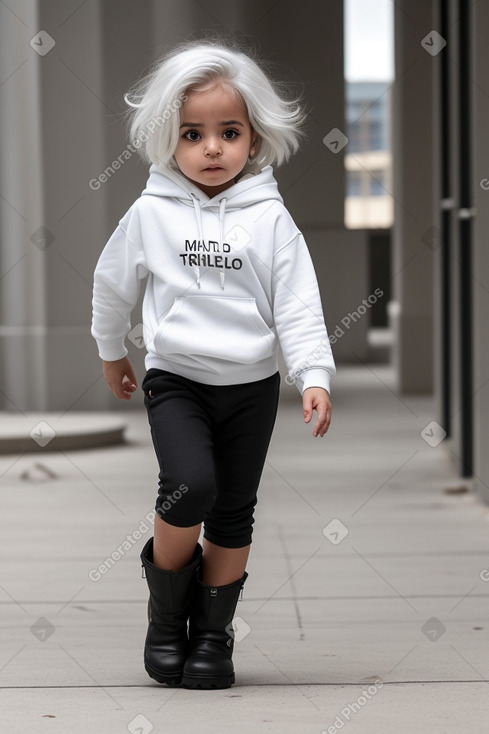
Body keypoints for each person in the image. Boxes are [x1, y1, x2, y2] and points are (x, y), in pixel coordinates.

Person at [91, 39, 336, 690]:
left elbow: (298, 304)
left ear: (253, 137)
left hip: (249, 386)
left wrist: (313, 375)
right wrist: (111, 349)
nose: (211, 148)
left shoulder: (271, 220)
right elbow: (112, 285)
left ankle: (212, 634)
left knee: (232, 511)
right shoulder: (149, 213)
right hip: (176, 380)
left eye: (228, 132)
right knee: (188, 487)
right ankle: (166, 619)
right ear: (167, 138)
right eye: (192, 133)